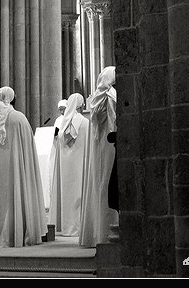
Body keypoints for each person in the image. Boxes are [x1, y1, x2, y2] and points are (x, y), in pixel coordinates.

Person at [0, 86, 47, 248]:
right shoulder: (18, 118)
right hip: (15, 172)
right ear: (12, 98)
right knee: (14, 195)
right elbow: (29, 148)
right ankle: (16, 233)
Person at [79, 66, 118, 247]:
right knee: (108, 181)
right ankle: (109, 229)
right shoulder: (110, 96)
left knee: (101, 183)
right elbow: (114, 122)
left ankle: (99, 230)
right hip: (110, 144)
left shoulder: (96, 97)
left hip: (100, 145)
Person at [48, 92, 89, 237]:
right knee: (78, 192)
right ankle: (77, 226)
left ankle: (63, 226)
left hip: (65, 169)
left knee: (66, 193)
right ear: (81, 105)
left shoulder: (62, 124)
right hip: (80, 166)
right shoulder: (84, 123)